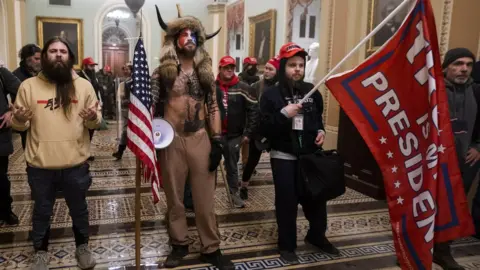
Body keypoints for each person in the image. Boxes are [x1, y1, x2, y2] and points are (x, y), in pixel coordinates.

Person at [151, 5, 234, 269]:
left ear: (198, 40)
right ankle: (178, 244)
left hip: (200, 138)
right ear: (175, 40)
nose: (189, 38)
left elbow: (213, 106)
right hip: (171, 140)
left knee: (205, 199)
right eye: (183, 34)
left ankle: (211, 247)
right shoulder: (162, 73)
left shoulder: (206, 73)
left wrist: (218, 140)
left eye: (193, 34)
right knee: (174, 197)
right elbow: (149, 107)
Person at [10, 37, 100, 270]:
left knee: (79, 208)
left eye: (63, 51)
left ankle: (82, 246)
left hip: (76, 163)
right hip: (40, 166)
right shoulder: (28, 87)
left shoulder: (84, 86)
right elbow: (20, 126)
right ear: (45, 56)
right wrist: (19, 119)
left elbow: (94, 123)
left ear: (70, 57)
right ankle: (40, 251)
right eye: (53, 51)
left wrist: (93, 119)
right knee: (41, 210)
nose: (58, 54)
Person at [259, 42, 339, 264]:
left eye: (301, 65)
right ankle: (287, 245)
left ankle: (316, 236)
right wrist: (284, 113)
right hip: (284, 156)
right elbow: (263, 128)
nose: (297, 69)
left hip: (310, 156)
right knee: (287, 202)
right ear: (284, 66)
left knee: (317, 198)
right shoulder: (271, 96)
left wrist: (321, 130)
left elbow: (317, 118)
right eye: (292, 65)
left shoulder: (312, 92)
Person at [433, 48, 480, 270]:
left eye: (469, 65)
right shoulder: (434, 90)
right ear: (446, 67)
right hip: (434, 160)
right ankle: (421, 247)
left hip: (464, 161)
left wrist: (478, 146)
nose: (464, 69)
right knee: (429, 204)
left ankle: (443, 251)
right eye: (458, 64)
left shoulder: (478, 92)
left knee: (452, 206)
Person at [216, 55, 259, 208]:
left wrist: (248, 133)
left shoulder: (243, 88)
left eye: (231, 68)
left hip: (234, 136)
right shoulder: (213, 87)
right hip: (215, 136)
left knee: (232, 167)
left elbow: (253, 110)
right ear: (220, 69)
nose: (229, 70)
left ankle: (234, 195)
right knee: (210, 166)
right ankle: (206, 197)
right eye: (225, 67)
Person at [240, 57, 279, 200]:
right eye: (266, 68)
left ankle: (281, 189)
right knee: (252, 160)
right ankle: (244, 186)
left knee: (277, 162)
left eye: (270, 69)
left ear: (277, 72)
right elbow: (251, 108)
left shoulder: (281, 87)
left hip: (274, 130)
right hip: (258, 129)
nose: (266, 71)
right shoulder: (257, 85)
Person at [0, 67, 21, 226]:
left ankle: (5, 211)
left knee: (1, 177)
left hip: (0, 132)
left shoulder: (1, 72)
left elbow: (22, 90)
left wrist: (11, 111)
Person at [13, 44, 42, 150]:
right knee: (29, 146)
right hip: (25, 117)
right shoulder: (15, 76)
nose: (39, 61)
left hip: (42, 116)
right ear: (27, 59)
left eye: (40, 58)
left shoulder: (43, 73)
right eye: (36, 59)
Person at [78, 57, 102, 161]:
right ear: (85, 66)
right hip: (82, 107)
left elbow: (97, 89)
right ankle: (79, 152)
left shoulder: (94, 76)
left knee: (91, 130)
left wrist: (100, 102)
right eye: (90, 65)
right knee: (82, 131)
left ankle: (86, 152)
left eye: (93, 66)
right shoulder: (80, 76)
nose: (92, 68)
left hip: (94, 106)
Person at [112, 63, 133, 160]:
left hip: (135, 110)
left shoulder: (135, 81)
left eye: (127, 69)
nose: (125, 71)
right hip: (126, 110)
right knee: (125, 131)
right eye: (124, 69)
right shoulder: (122, 83)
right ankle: (120, 152)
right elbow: (120, 97)